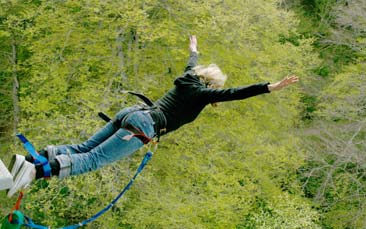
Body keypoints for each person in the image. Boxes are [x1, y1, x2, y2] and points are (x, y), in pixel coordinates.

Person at [7, 35, 299, 197]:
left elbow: (191, 62)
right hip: (143, 127)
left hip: (132, 112)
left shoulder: (188, 78)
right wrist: (272, 87)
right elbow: (237, 93)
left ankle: (32, 160)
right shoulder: (203, 94)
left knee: (84, 147)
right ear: (212, 85)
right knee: (94, 159)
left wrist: (194, 49)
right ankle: (35, 171)